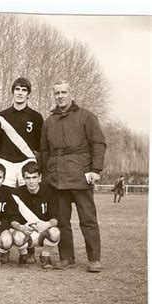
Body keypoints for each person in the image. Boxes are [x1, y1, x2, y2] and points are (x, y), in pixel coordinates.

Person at [40, 80, 106, 273]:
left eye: (63, 92)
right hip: (57, 179)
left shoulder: (86, 116)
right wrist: (46, 175)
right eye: (56, 93)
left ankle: (94, 259)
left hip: (81, 176)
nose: (60, 96)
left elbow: (98, 144)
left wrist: (96, 170)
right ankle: (66, 257)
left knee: (88, 220)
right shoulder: (49, 121)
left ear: (71, 94)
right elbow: (44, 151)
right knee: (62, 221)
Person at [9, 161, 60, 269]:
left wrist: (47, 224)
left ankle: (45, 255)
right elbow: (12, 219)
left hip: (42, 231)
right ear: (23, 178)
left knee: (55, 232)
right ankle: (23, 255)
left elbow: (56, 218)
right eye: (28, 178)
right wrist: (21, 227)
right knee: (17, 236)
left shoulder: (50, 192)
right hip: (26, 233)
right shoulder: (16, 194)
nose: (31, 181)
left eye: (34, 177)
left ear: (40, 177)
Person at [0, 78, 43, 188]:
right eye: (17, 89)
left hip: (27, 161)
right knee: (5, 195)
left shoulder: (36, 116)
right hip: (6, 162)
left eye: (24, 90)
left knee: (29, 196)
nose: (20, 93)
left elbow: (39, 143)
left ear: (28, 93)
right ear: (13, 91)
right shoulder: (2, 116)